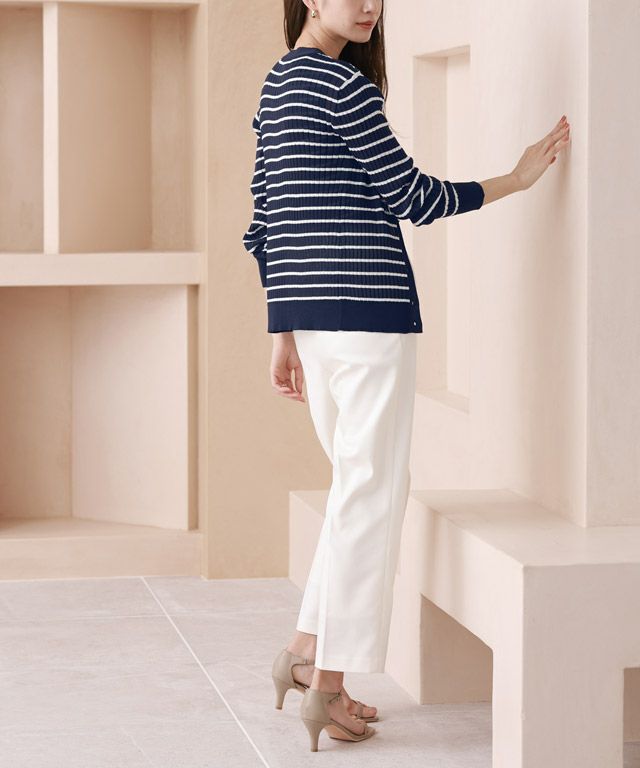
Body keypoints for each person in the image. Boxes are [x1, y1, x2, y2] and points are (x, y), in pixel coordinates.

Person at [243, 0, 571, 752]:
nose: (369, 5)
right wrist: (515, 179)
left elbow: (266, 219)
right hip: (368, 317)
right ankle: (327, 683)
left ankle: (303, 652)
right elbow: (414, 198)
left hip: (314, 324)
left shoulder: (277, 84)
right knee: (370, 498)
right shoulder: (343, 87)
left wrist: (282, 331)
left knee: (355, 491)